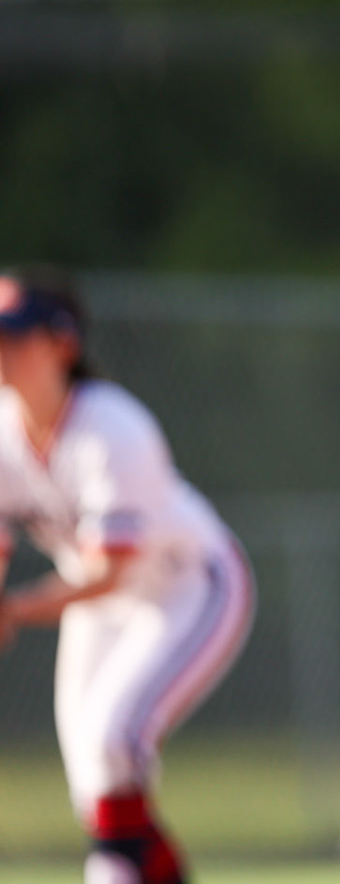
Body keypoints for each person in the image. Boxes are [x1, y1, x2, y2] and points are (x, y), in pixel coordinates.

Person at [0, 269, 254, 884]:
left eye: (14, 336)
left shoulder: (112, 428)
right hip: (98, 602)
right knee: (96, 778)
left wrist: (14, 612)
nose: (1, 353)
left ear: (62, 342)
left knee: (115, 737)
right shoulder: (2, 430)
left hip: (190, 588)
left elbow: (111, 571)